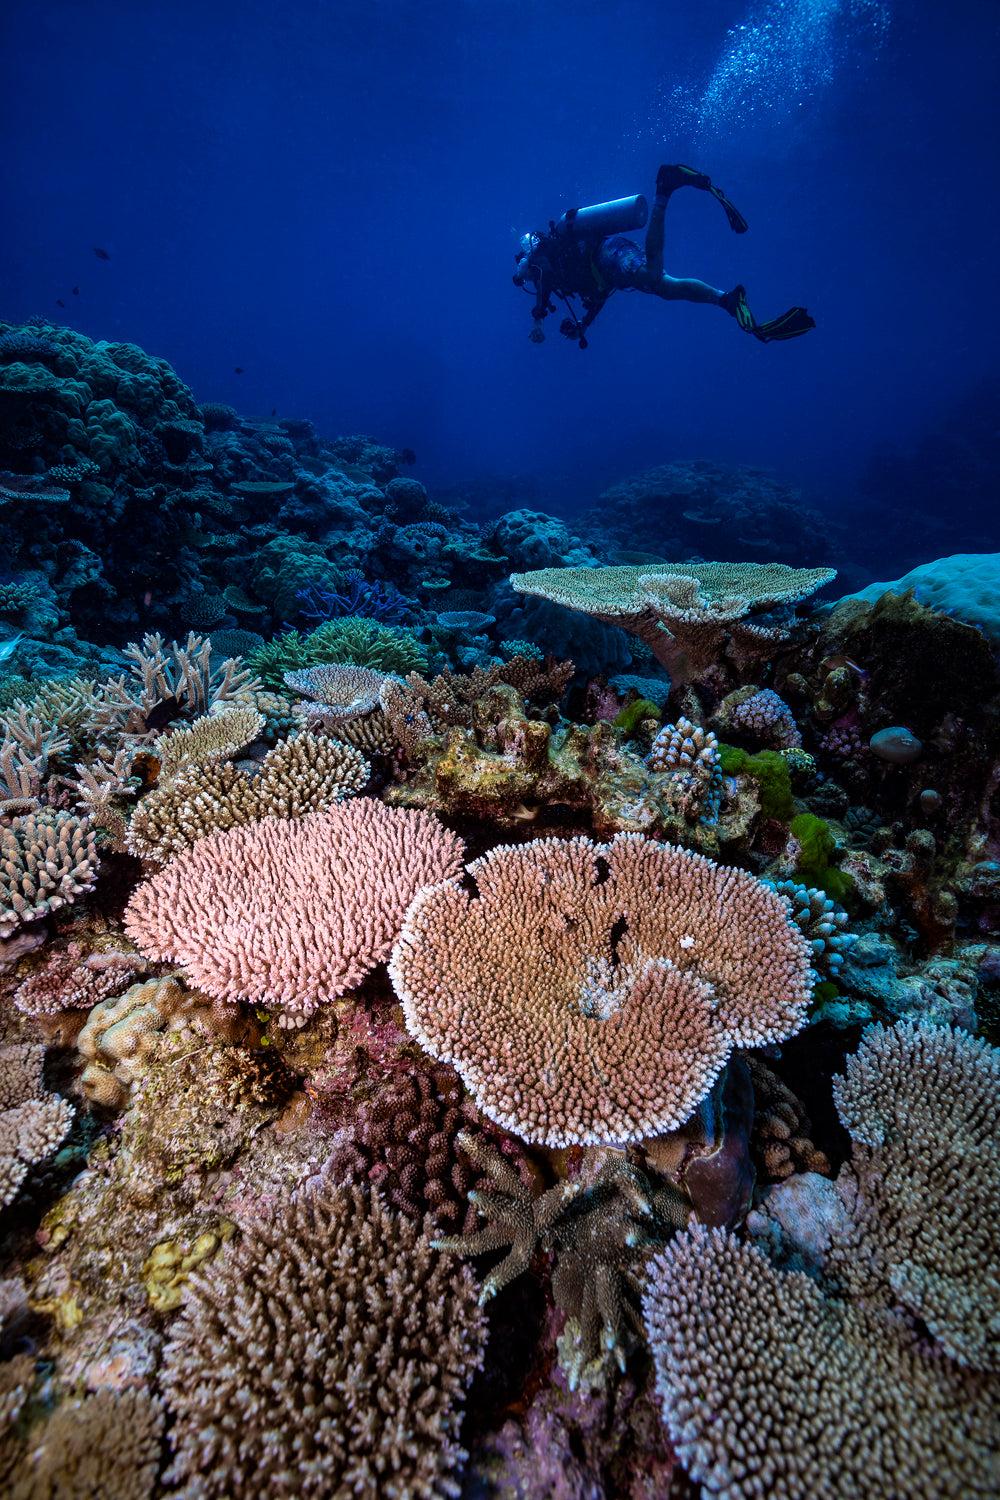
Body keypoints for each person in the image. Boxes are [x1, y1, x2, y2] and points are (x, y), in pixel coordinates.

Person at [513, 163, 815, 348]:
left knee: (655, 277)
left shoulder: (542, 261)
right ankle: (726, 299)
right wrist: (584, 325)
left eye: (523, 271)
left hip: (607, 253)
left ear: (527, 259)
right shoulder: (558, 267)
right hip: (609, 265)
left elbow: (543, 280)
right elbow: (600, 295)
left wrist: (538, 321)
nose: (525, 277)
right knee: (666, 288)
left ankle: (664, 188)